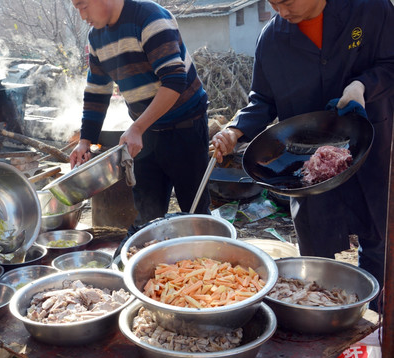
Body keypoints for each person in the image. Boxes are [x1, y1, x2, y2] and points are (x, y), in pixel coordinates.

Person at [212, 0, 394, 309]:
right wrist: (234, 130)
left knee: (379, 244)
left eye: (286, 2)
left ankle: (376, 324)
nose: (281, 12)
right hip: (305, 167)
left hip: (370, 152)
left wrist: (363, 85)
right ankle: (328, 323)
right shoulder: (272, 39)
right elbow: (262, 99)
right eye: (273, 3)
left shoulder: (371, 10)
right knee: (316, 256)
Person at [69, 0, 211, 228]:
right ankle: (149, 258)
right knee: (148, 215)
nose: (82, 15)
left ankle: (206, 260)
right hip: (146, 132)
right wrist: (85, 141)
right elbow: (97, 91)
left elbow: (174, 81)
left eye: (83, 6)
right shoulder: (96, 37)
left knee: (194, 212)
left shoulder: (149, 18)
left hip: (186, 127)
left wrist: (137, 128)